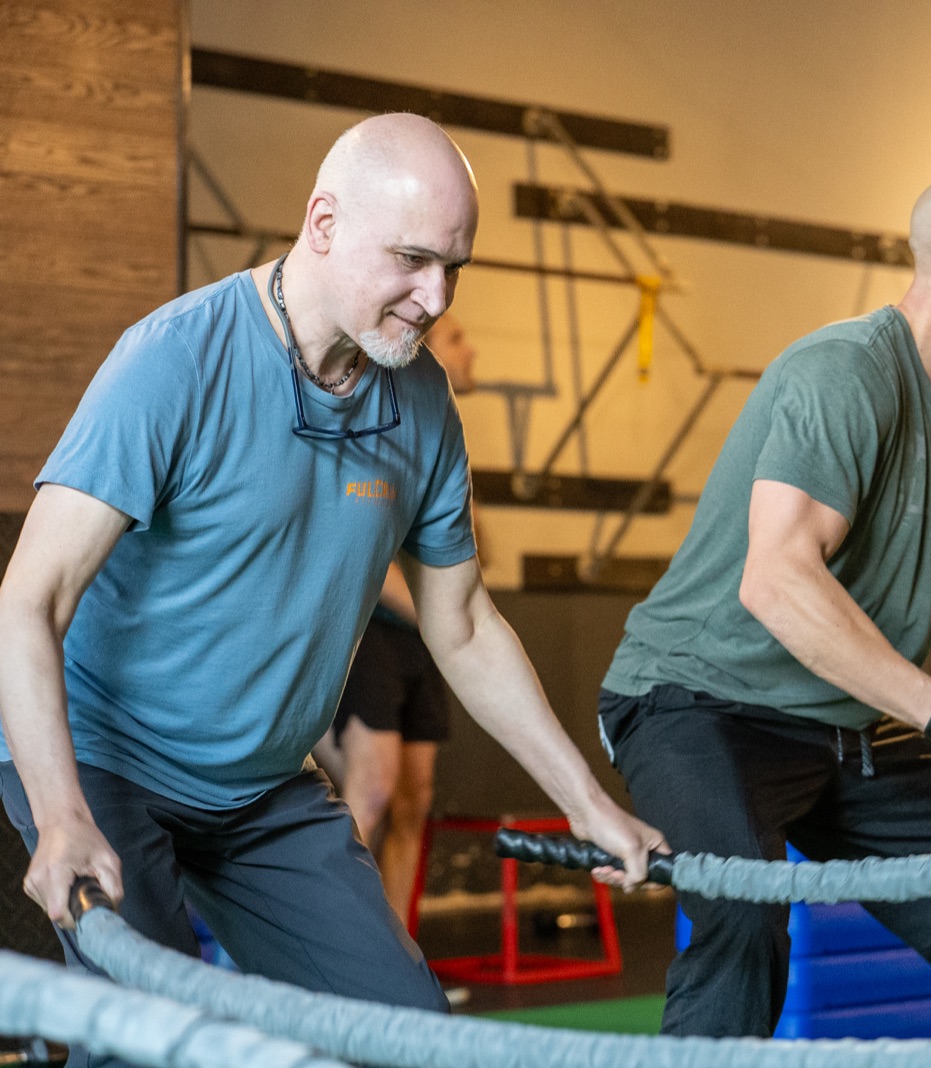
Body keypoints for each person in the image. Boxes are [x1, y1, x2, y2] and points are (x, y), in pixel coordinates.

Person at [0, 114, 665, 1059]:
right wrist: (62, 816)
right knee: (140, 1040)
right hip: (109, 765)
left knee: (407, 1038)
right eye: (410, 259)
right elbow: (29, 599)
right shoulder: (174, 360)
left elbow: (464, 624)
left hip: (260, 790)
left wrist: (584, 800)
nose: (434, 296)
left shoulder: (423, 403)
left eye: (454, 268)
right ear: (322, 224)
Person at [597, 163, 931, 1039]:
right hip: (698, 703)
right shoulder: (844, 376)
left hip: (839, 724)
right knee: (743, 915)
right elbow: (777, 579)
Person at [314, 311, 478, 919]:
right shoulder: (372, 421)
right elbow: (364, 552)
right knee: (372, 792)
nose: (472, 350)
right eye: (459, 339)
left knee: (413, 803)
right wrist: (447, 618)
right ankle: (331, 949)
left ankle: (395, 963)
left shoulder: (444, 432)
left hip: (422, 645)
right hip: (372, 634)